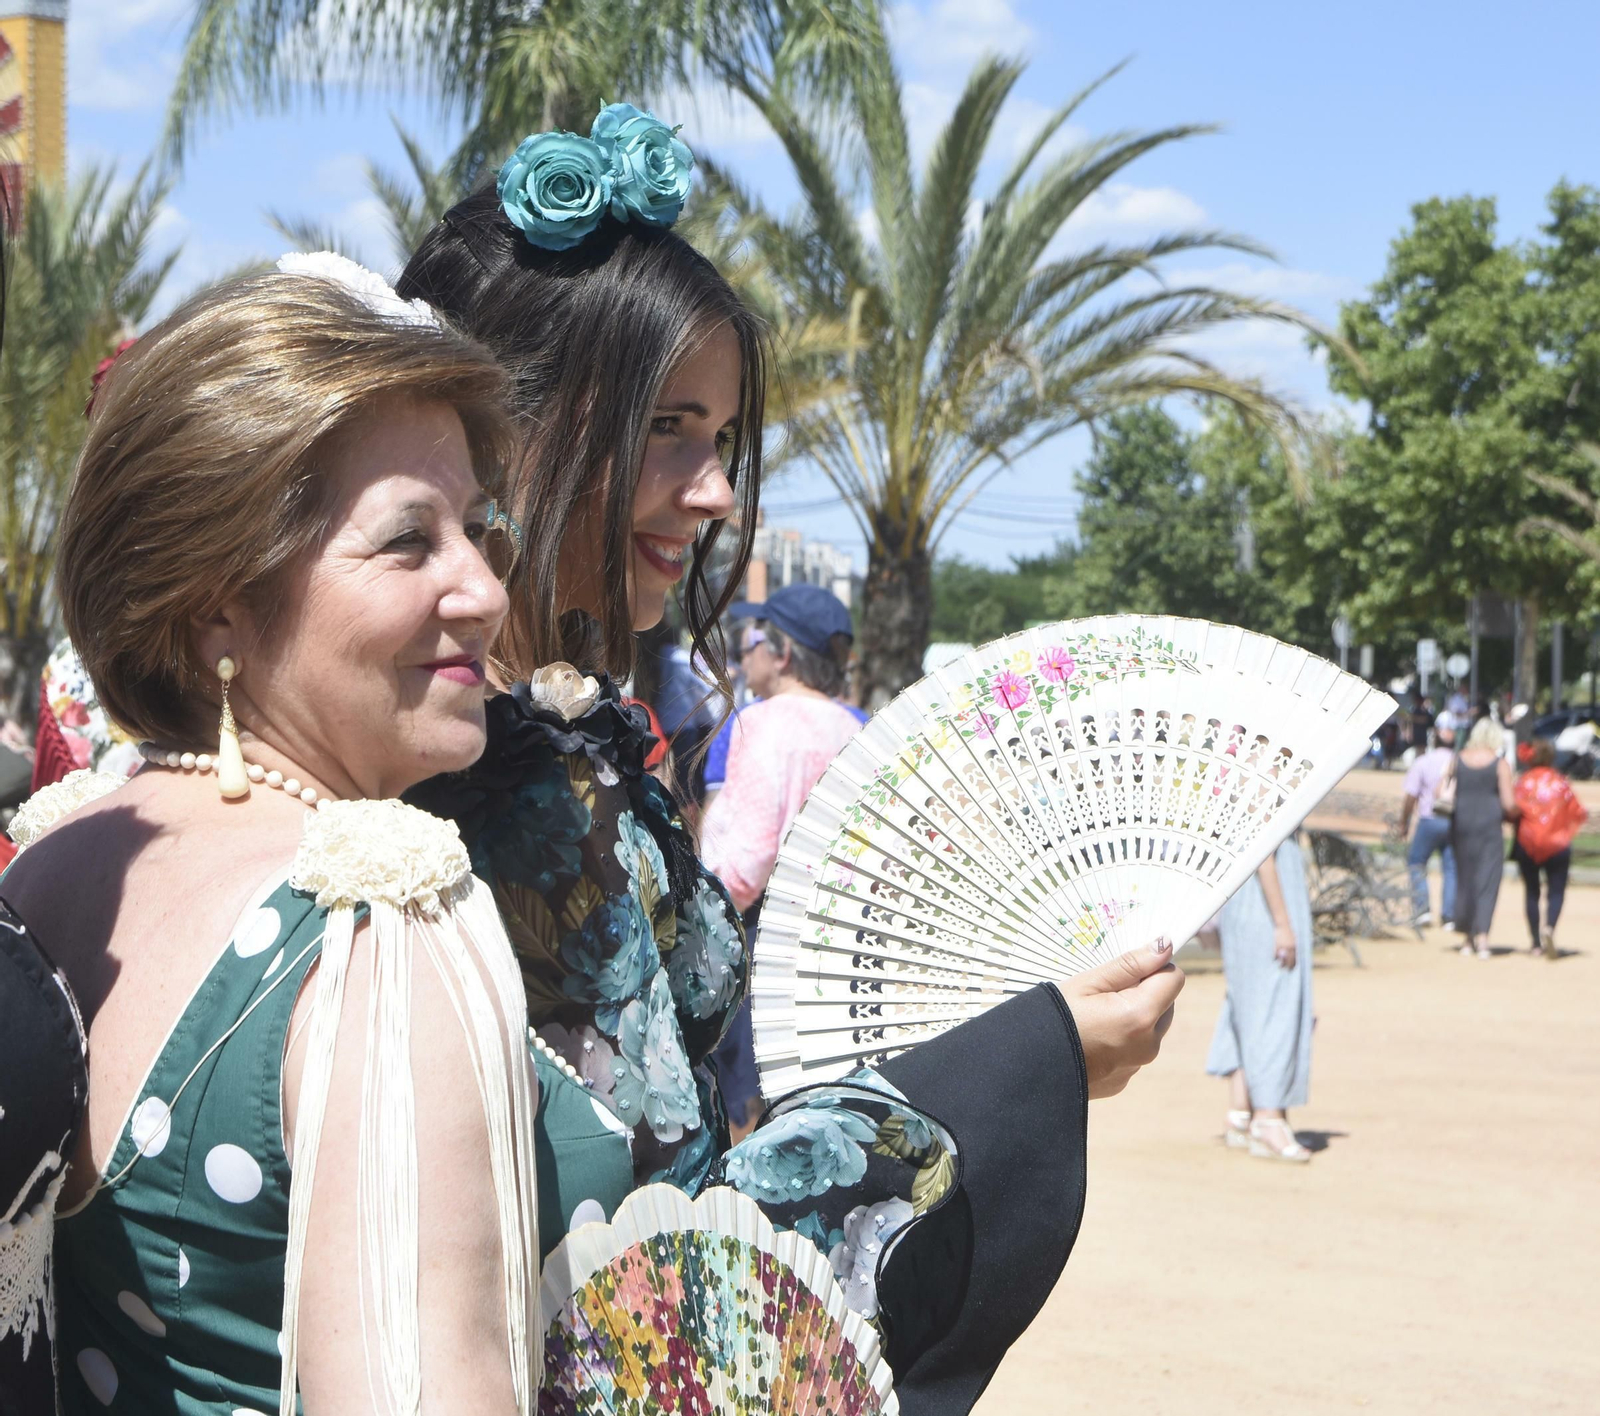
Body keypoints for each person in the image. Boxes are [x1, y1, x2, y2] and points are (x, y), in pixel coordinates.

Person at [398, 104, 1185, 1413]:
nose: (714, 491)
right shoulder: (486, 797)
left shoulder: (543, 738)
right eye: (668, 428)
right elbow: (657, 1272)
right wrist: (1023, 1066)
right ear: (508, 428)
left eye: (718, 440)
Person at [3, 263, 544, 1414]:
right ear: (220, 606)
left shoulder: (56, 862)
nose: (485, 591)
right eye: (409, 542)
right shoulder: (374, 925)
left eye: (476, 529)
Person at [700, 585, 867, 1133]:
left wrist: (700, 907)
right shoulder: (855, 727)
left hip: (764, 940)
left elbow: (750, 857)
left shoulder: (760, 721)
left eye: (753, 638)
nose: (744, 652)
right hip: (839, 940)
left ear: (785, 652)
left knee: (753, 1115)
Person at [1205, 839, 1317, 1163]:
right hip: (1264, 911)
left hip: (1248, 905)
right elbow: (1263, 851)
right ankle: (1268, 1119)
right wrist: (1282, 924)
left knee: (1246, 1005)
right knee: (1275, 1008)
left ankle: (1241, 1112)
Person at [1449, 716, 1519, 958]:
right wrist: (1519, 813)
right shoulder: (1500, 764)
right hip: (1489, 826)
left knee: (1465, 879)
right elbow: (1508, 803)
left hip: (1461, 823)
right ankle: (1483, 939)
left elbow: (1442, 790)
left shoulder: (1457, 759)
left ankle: (1467, 939)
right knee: (1487, 881)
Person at [1511, 740, 1588, 958]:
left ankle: (1535, 944)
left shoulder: (1523, 782)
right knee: (1556, 891)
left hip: (1527, 843)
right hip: (1557, 844)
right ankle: (1550, 928)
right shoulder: (1560, 782)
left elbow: (1512, 809)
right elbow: (1578, 811)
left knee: (1531, 892)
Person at [1396, 711, 1459, 927]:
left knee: (1417, 862)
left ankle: (1422, 910)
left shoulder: (1423, 762)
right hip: (1453, 821)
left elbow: (1410, 796)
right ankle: (1449, 916)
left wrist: (1403, 822)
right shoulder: (1460, 762)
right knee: (1451, 867)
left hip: (1429, 820)